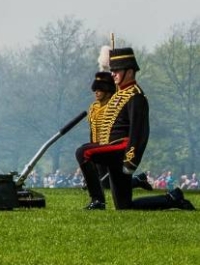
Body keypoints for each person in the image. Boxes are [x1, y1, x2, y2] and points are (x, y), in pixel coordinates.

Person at [75, 46, 193, 210]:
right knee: (124, 206)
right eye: (112, 70)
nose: (113, 74)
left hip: (122, 148)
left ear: (129, 72)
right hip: (111, 149)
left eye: (117, 70)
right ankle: (172, 198)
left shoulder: (136, 96)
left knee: (83, 152)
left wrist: (131, 160)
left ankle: (98, 201)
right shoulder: (119, 94)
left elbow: (139, 132)